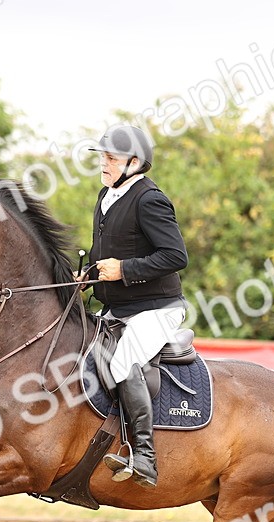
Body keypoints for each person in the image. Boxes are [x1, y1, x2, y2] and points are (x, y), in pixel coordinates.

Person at [85, 124, 189, 488]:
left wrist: (125, 270)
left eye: (110, 158)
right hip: (119, 308)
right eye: (102, 157)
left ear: (134, 162)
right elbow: (103, 255)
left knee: (123, 361)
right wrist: (84, 274)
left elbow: (176, 256)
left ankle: (145, 457)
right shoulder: (106, 195)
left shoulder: (150, 199)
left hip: (156, 308)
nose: (103, 164)